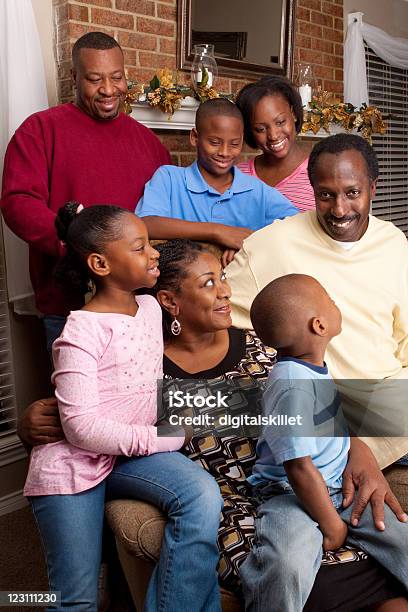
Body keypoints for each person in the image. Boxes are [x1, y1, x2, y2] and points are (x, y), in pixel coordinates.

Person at [21, 239, 407, 611]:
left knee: (390, 572)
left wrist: (361, 453)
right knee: (300, 578)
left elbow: (315, 410)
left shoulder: (266, 345)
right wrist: (30, 425)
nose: (225, 292)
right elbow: (80, 417)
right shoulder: (145, 369)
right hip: (235, 505)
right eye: (209, 283)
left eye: (223, 278)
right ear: (169, 301)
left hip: (314, 483)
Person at [24, 204, 222, 612]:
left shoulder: (150, 308)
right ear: (99, 263)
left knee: (201, 494)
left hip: (125, 457)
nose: (154, 254)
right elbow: (81, 429)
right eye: (140, 247)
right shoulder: (80, 331)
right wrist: (163, 436)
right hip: (75, 465)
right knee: (74, 599)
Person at [226, 133, 408, 471]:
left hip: (390, 404)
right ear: (313, 192)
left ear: (373, 187)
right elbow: (220, 321)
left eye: (353, 193)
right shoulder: (270, 246)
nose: (339, 210)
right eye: (326, 195)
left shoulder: (393, 242)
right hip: (324, 412)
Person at [240, 273, 408, 612]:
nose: (335, 304)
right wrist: (330, 523)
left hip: (336, 486)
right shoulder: (291, 385)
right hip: (291, 494)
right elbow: (298, 467)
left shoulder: (310, 367)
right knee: (286, 563)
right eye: (330, 299)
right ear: (319, 325)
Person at [0, 31, 170, 351]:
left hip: (140, 305)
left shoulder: (150, 144)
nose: (108, 89)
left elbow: (165, 214)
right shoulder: (39, 130)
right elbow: (18, 201)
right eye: (94, 79)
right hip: (68, 306)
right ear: (74, 77)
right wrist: (73, 244)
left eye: (116, 77)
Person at [136, 98, 297, 266]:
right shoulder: (169, 178)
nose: (224, 152)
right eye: (214, 142)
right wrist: (218, 232)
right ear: (195, 137)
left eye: (234, 144)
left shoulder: (258, 191)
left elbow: (298, 228)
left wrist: (248, 245)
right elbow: (146, 224)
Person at [236, 75, 315, 212]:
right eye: (261, 129)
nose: (273, 135)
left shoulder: (319, 170)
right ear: (250, 131)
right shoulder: (238, 175)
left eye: (280, 122)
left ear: (294, 114)